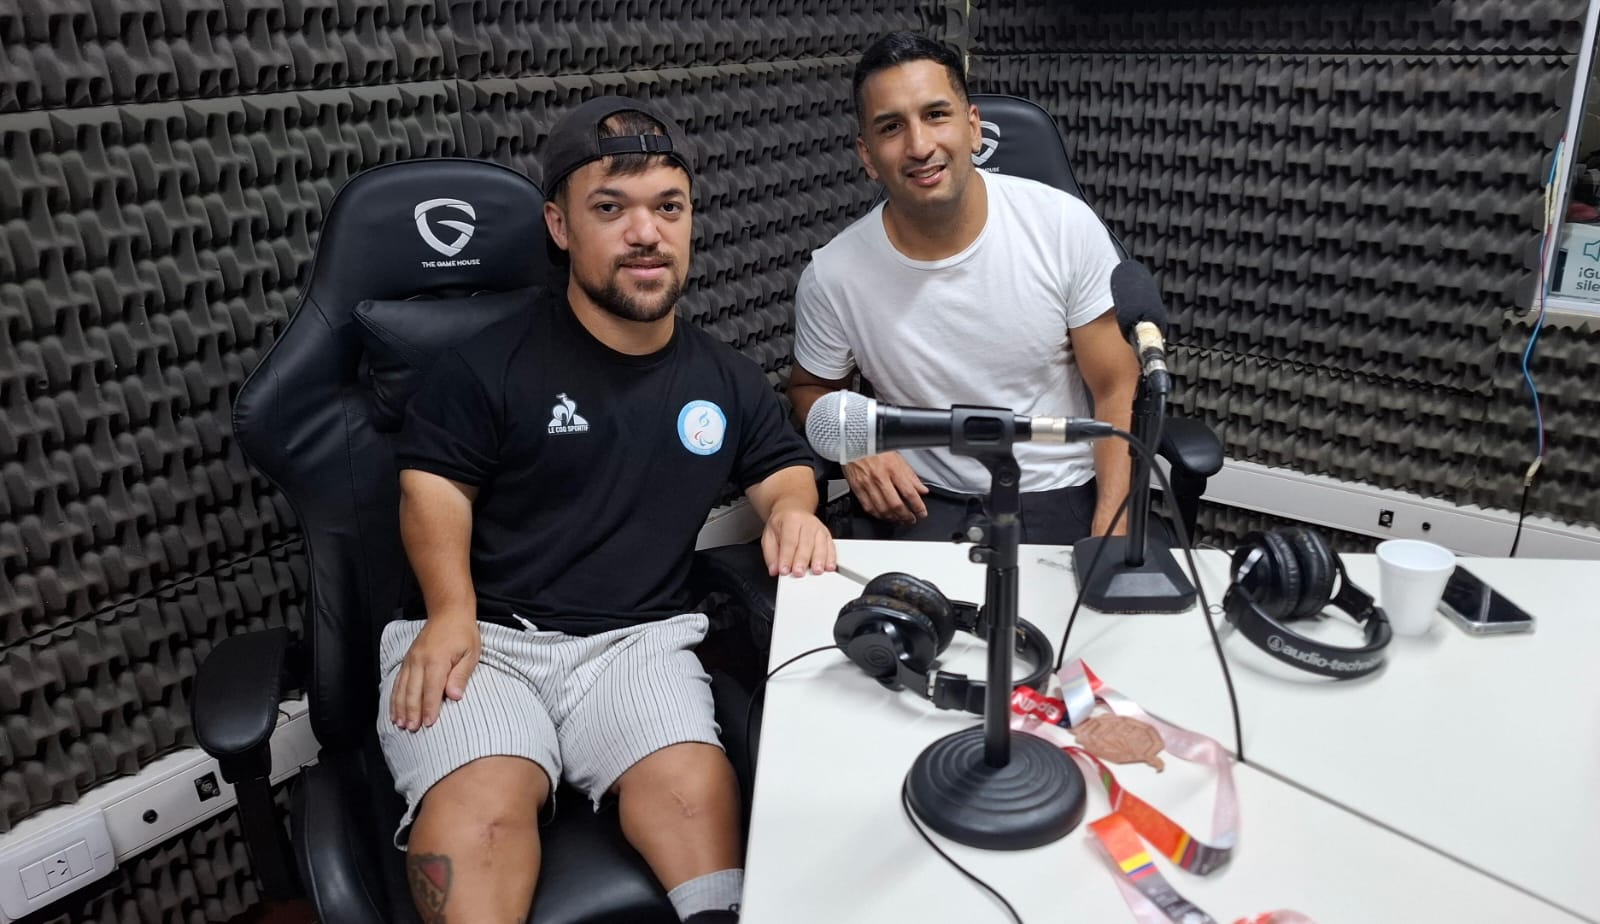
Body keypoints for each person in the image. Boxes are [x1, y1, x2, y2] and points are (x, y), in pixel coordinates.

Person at [377, 96, 836, 924]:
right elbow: (432, 489)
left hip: (638, 642)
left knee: (695, 792)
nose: (646, 233)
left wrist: (792, 512)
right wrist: (450, 610)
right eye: (611, 209)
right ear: (560, 226)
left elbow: (782, 467)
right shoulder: (487, 366)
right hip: (489, 637)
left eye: (669, 207)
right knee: (482, 812)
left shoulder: (724, 379)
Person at [788, 32, 1140, 545]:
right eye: (891, 127)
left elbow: (1117, 387)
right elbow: (810, 390)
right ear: (867, 155)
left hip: (1055, 493)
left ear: (973, 127)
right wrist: (855, 447)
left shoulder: (1064, 227)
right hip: (923, 503)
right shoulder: (832, 274)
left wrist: (1113, 527)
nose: (919, 146)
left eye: (936, 115)